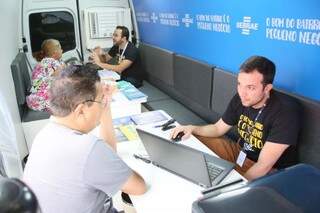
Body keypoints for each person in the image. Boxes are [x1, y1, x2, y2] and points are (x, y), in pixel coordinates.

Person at [23, 65, 146, 213]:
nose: (102, 105)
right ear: (81, 110)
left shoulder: (44, 135)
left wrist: (104, 106)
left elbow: (108, 152)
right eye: (100, 101)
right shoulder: (88, 148)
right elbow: (138, 187)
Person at [171, 56, 300, 180]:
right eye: (239, 84)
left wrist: (234, 190)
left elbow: (263, 165)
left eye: (250, 87)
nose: (242, 93)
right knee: (192, 138)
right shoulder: (242, 98)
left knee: (227, 184)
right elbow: (217, 129)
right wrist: (192, 128)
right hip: (239, 153)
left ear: (267, 88)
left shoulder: (285, 111)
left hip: (267, 170)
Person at [26, 39, 65, 112]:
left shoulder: (45, 61)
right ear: (54, 53)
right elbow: (63, 75)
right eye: (60, 49)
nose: (62, 50)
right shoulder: (51, 63)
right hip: (41, 100)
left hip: (35, 98)